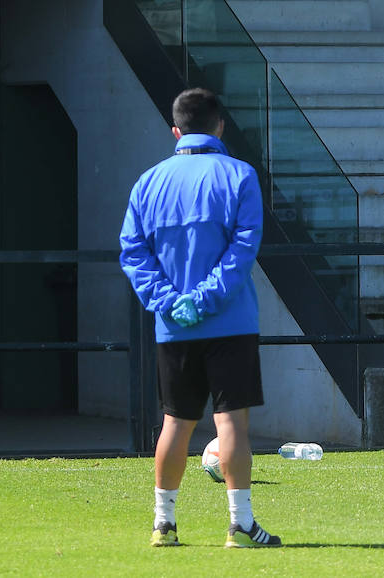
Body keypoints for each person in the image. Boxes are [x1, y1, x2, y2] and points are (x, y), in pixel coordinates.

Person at [120, 88, 279, 548]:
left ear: (175, 130)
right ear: (220, 125)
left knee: (175, 422)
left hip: (173, 326)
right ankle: (241, 525)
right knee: (231, 424)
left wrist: (169, 301)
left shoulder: (148, 182)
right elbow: (243, 250)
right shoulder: (240, 175)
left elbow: (133, 253)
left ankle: (163, 524)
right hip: (229, 321)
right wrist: (205, 299)